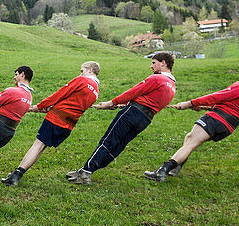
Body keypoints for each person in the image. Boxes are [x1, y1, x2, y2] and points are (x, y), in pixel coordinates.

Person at [144, 58, 239, 181]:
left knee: (191, 143)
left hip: (216, 119)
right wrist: (204, 107)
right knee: (189, 139)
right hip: (228, 127)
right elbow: (234, 105)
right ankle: (176, 167)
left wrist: (190, 103)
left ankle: (162, 171)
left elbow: (217, 96)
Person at [67, 52, 176, 185]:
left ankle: (85, 172)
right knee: (118, 146)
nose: (151, 66)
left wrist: (111, 102)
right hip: (145, 119)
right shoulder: (172, 86)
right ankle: (88, 170)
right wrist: (121, 104)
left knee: (108, 141)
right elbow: (150, 101)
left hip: (132, 113)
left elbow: (134, 92)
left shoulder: (156, 78)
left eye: (154, 63)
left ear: (163, 63)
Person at [0, 61, 101, 186]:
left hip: (56, 118)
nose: (81, 73)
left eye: (82, 71)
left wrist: (40, 106)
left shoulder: (82, 81)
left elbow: (61, 93)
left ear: (90, 70)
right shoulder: (96, 91)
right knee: (41, 147)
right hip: (68, 125)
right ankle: (18, 173)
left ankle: (15, 176)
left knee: (37, 146)